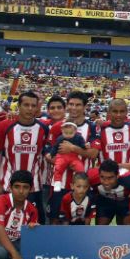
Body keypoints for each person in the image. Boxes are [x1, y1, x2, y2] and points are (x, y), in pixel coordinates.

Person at [0, 91, 50, 225]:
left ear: (37, 107)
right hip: (8, 185)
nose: (30, 109)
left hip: (33, 187)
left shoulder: (43, 128)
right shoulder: (5, 126)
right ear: (18, 106)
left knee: (35, 226)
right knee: (6, 224)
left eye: (33, 105)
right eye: (26, 105)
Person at [46, 91, 98, 224]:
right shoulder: (58, 127)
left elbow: (93, 153)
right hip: (60, 184)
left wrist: (73, 149)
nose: (74, 108)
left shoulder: (92, 127)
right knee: (55, 221)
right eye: (71, 104)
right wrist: (64, 163)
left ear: (85, 107)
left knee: (81, 222)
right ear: (67, 105)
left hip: (82, 186)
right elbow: (48, 155)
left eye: (78, 105)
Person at [87, 159, 130, 226]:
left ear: (117, 175)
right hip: (104, 202)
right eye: (102, 177)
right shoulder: (91, 177)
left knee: (127, 228)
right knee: (100, 228)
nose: (106, 182)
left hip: (124, 202)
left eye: (110, 178)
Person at [91, 98, 130, 169]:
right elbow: (93, 153)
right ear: (109, 112)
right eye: (115, 111)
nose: (118, 115)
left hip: (127, 175)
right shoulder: (100, 129)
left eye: (122, 111)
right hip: (106, 176)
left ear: (126, 112)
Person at [50, 122, 86, 192]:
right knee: (58, 167)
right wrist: (52, 154)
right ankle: (57, 182)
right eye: (66, 133)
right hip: (62, 156)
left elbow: (82, 144)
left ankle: (81, 182)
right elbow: (55, 147)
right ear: (62, 131)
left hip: (74, 156)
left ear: (75, 131)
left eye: (70, 133)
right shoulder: (60, 138)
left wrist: (85, 146)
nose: (68, 135)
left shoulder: (78, 137)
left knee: (80, 167)